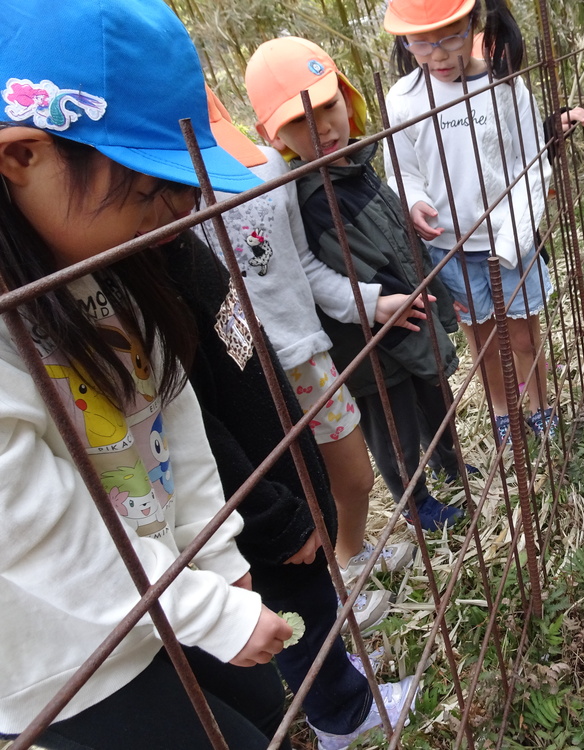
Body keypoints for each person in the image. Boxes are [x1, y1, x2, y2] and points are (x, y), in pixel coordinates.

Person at [0, 1, 291, 747]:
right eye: (146, 183)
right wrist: (204, 611)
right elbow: (33, 532)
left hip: (162, 582)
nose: (174, 211)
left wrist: (214, 556)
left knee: (268, 711)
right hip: (67, 661)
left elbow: (172, 407)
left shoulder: (102, 270)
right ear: (22, 155)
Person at [165, 229, 417, 750]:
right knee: (296, 608)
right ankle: (343, 714)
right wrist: (269, 516)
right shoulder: (149, 276)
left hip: (275, 475)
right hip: (254, 505)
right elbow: (193, 430)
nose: (176, 197)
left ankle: (334, 680)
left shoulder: (171, 245)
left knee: (311, 600)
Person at [197, 87, 418, 626]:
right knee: (294, 495)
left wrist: (368, 302)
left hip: (307, 353)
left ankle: (351, 553)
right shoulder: (174, 201)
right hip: (247, 372)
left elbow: (300, 263)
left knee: (354, 476)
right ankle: (333, 588)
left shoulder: (269, 167)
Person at [244, 36, 473, 531]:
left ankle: (449, 461)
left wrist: (439, 299)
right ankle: (414, 501)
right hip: (368, 339)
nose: (322, 126)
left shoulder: (358, 163)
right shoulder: (307, 196)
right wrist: (372, 303)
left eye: (328, 105)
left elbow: (400, 238)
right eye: (298, 121)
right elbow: (317, 270)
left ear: (348, 98)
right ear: (275, 135)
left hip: (412, 311)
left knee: (436, 394)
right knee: (394, 425)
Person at [382, 0, 560, 446]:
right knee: (483, 343)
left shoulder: (504, 87)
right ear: (405, 41)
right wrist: (416, 200)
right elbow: (401, 171)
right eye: (421, 42)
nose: (438, 55)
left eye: (450, 37)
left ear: (473, 23)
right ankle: (503, 410)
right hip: (451, 247)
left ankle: (538, 403)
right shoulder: (403, 101)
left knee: (522, 335)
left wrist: (514, 236)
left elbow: (533, 164)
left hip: (509, 240)